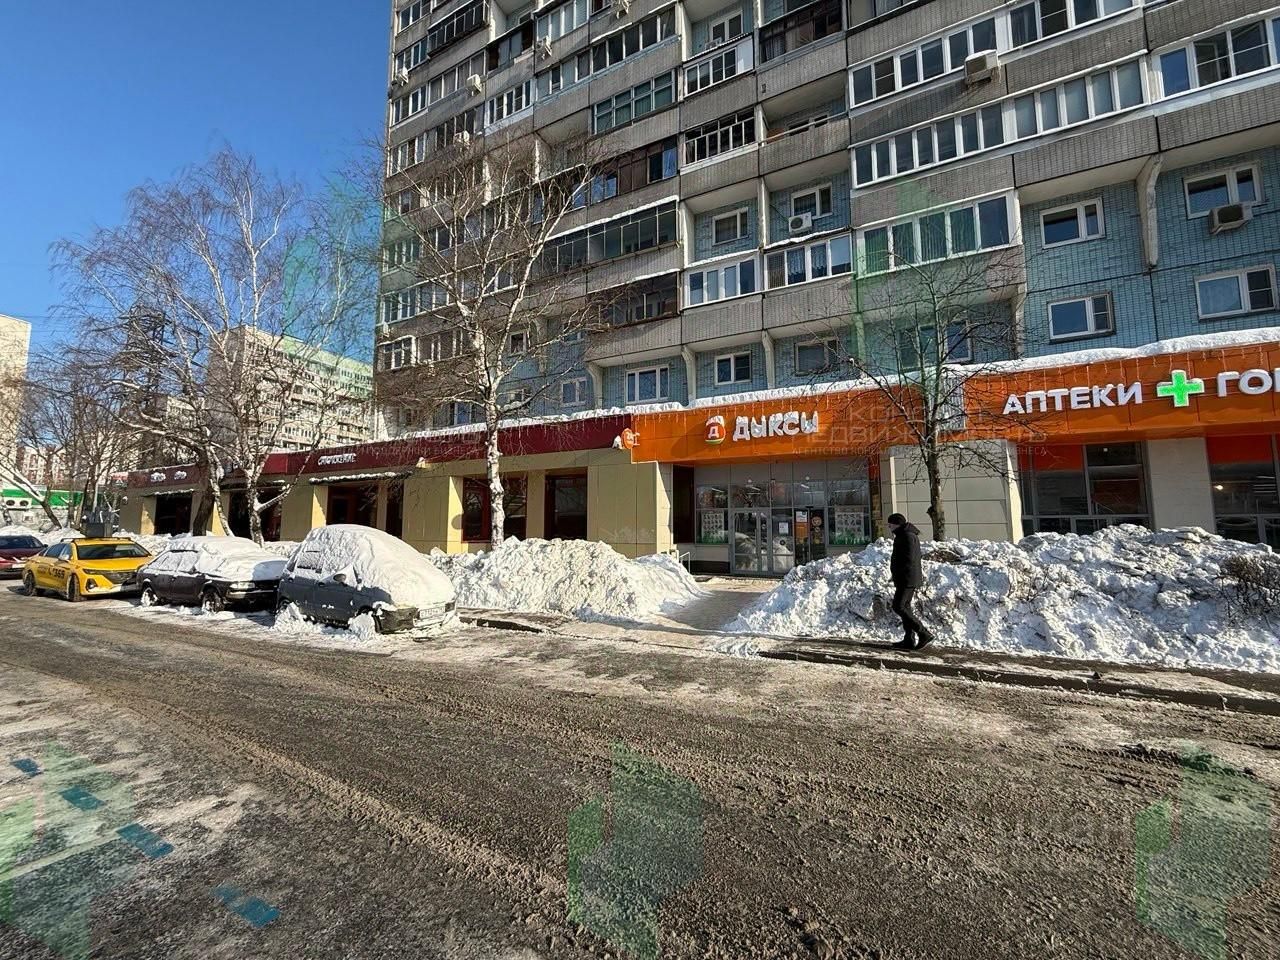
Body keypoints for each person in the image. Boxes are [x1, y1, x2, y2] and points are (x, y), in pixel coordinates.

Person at [886, 513, 935, 651]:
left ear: (897, 524)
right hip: (905, 577)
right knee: (905, 607)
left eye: (890, 524)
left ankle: (923, 633)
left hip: (907, 578)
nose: (889, 527)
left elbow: (909, 559)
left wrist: (899, 572)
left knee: (899, 606)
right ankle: (909, 639)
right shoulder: (903, 535)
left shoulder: (907, 536)